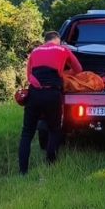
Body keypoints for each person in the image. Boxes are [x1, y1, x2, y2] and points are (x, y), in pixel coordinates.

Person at [19, 31, 83, 175]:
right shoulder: (63, 49)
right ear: (57, 41)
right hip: (53, 94)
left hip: (34, 94)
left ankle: (22, 171)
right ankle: (50, 164)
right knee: (54, 130)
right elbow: (78, 69)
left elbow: (29, 75)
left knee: (27, 132)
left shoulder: (35, 51)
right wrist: (65, 74)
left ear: (45, 41)